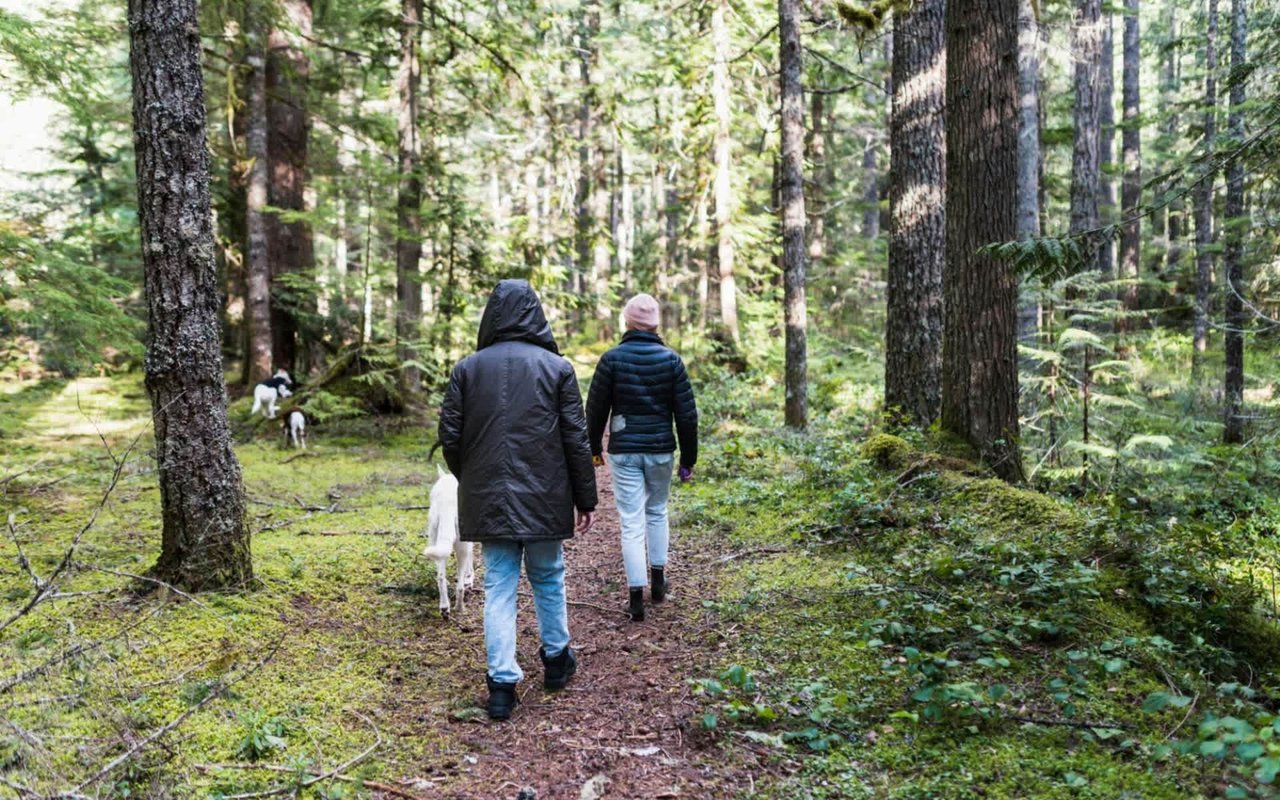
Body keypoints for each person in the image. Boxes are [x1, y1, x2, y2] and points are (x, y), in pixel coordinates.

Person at [438, 279, 597, 720]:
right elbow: (576, 440)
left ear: (491, 315)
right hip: (546, 496)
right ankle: (556, 661)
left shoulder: (466, 369)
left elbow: (449, 437)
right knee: (548, 577)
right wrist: (586, 498)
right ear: (535, 314)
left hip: (488, 496)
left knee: (500, 587)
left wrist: (472, 478)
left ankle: (502, 686)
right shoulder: (557, 368)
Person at [585, 293, 698, 622]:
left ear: (627, 322)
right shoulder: (671, 360)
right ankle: (659, 583)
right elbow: (687, 416)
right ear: (655, 324)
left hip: (624, 451)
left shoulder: (611, 360)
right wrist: (688, 459)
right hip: (661, 449)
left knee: (631, 521)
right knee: (657, 511)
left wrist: (594, 450)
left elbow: (595, 412)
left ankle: (636, 598)